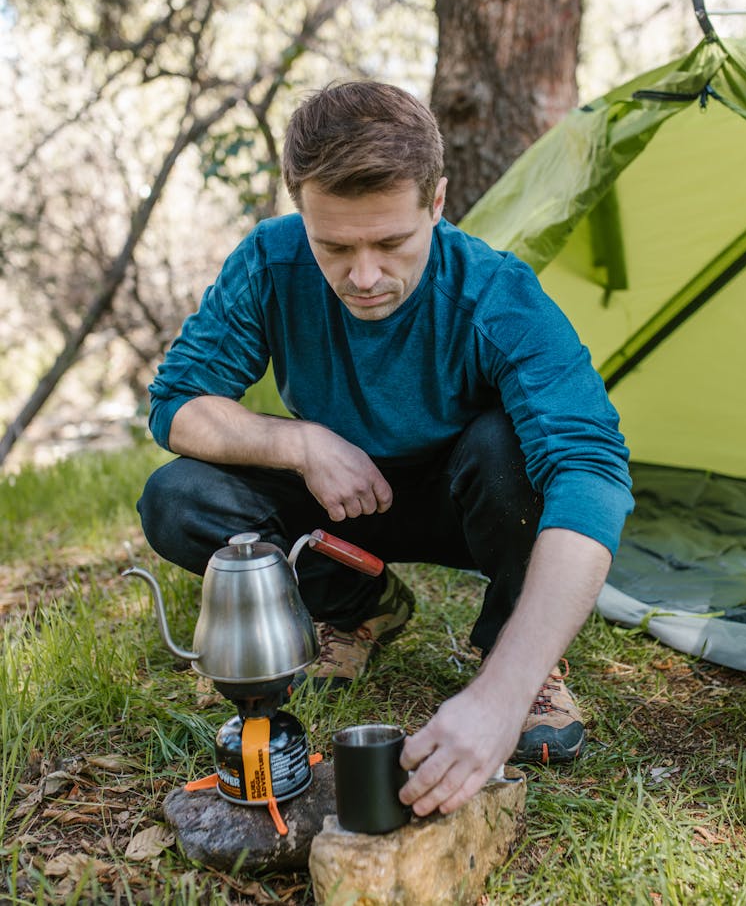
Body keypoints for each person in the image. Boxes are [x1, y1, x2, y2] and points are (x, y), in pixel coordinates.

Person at [137, 80, 633, 818]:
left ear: (436, 202)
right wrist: (298, 440)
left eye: (391, 242)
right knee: (177, 497)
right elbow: (176, 403)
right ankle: (360, 605)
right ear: (300, 209)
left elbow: (593, 471)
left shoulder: (493, 291)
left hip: (470, 498)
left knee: (510, 448)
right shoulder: (270, 263)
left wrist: (495, 700)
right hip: (338, 502)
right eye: (333, 244)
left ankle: (515, 665)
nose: (363, 276)